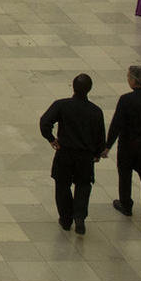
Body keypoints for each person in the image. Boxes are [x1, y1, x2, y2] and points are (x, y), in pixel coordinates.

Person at [39, 73, 107, 232]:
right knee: (83, 185)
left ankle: (65, 218)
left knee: (62, 185)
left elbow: (45, 122)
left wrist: (51, 138)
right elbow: (100, 136)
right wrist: (97, 153)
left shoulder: (62, 105)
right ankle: (79, 216)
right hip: (85, 156)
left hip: (65, 153)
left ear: (73, 87)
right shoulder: (96, 111)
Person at [103, 65, 141, 236]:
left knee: (125, 174)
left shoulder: (125, 100)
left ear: (132, 80)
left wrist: (107, 146)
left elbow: (117, 124)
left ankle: (126, 204)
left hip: (128, 146)